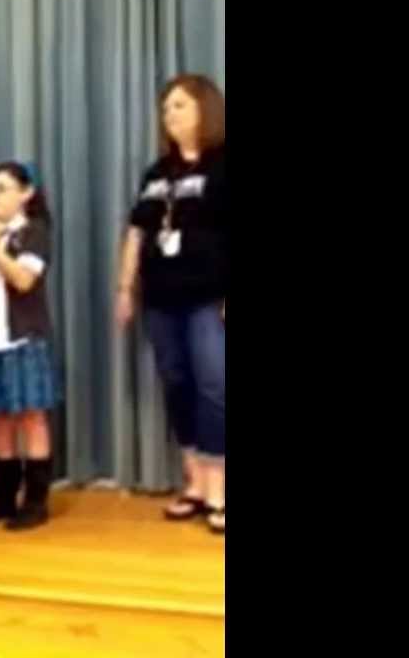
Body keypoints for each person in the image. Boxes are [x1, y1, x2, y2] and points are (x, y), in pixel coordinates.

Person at [116, 74, 227, 534]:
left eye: (179, 105)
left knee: (214, 385)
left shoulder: (222, 164)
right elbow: (137, 232)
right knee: (177, 382)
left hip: (209, 296)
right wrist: (126, 289)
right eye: (165, 108)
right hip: (161, 298)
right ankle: (194, 482)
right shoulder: (157, 172)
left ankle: (220, 488)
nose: (170, 115)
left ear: (205, 108)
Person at [0, 161, 60, 531]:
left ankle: (35, 501)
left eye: (2, 188)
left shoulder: (34, 232)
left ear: (26, 193)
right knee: (1, 416)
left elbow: (23, 280)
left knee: (32, 416)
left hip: (26, 336)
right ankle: (3, 495)